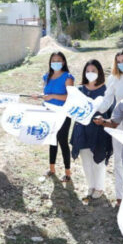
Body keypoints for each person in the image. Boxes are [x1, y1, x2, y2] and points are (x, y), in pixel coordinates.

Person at [95, 48, 123, 204]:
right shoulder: (114, 78)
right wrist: (93, 108)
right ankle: (121, 196)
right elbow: (106, 101)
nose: (122, 64)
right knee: (119, 160)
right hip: (119, 124)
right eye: (118, 62)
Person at [70, 59, 113, 199]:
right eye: (87, 71)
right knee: (86, 160)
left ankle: (99, 187)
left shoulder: (106, 90)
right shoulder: (79, 90)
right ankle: (91, 185)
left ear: (99, 72)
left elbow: (111, 111)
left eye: (93, 71)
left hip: (99, 130)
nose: (90, 73)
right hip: (82, 130)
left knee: (98, 160)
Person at [34, 51, 74, 182]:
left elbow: (70, 97)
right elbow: (46, 93)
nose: (56, 63)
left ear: (63, 62)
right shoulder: (47, 76)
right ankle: (52, 169)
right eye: (53, 61)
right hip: (49, 113)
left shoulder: (68, 77)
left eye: (58, 60)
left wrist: (53, 96)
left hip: (63, 114)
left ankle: (68, 172)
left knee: (62, 141)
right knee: (51, 140)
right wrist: (39, 96)